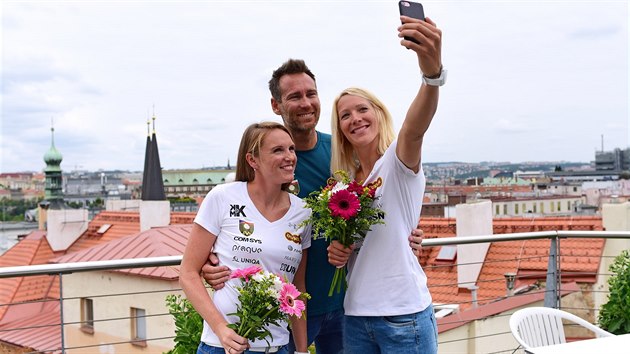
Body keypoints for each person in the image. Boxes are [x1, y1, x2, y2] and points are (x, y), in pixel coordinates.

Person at [202, 59, 427, 353]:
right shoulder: (266, 165)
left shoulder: (344, 150)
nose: (306, 103)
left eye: (311, 93)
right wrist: (210, 261)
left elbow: (387, 192)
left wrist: (409, 231)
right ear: (276, 105)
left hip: (348, 304)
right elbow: (232, 221)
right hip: (293, 310)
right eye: (294, 96)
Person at [327, 15, 444, 354]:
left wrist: (432, 75)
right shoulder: (343, 185)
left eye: (362, 109)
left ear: (378, 113)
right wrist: (338, 249)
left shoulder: (396, 161)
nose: (355, 119)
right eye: (345, 115)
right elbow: (358, 246)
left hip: (402, 315)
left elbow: (415, 128)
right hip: (356, 314)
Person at [180, 122, 311, 354]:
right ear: (253, 160)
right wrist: (221, 329)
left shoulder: (303, 212)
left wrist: (301, 350)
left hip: (276, 347)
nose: (289, 156)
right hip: (222, 347)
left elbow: (296, 287)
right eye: (278, 150)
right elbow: (188, 273)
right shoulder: (223, 197)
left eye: (291, 149)